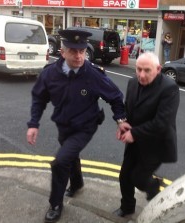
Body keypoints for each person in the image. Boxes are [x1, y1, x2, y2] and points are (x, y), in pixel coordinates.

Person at [26, 29, 126, 223]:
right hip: (63, 125)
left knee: (60, 161)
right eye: (73, 51)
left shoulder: (93, 74)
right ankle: (77, 183)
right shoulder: (50, 74)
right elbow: (39, 98)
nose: (79, 56)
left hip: (85, 126)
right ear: (62, 53)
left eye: (82, 51)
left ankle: (55, 204)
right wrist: (33, 124)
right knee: (70, 156)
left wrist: (120, 120)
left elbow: (115, 96)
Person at [113, 52, 180, 217]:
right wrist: (122, 123)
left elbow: (162, 123)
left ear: (158, 69)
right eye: (138, 69)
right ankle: (127, 207)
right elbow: (128, 108)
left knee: (139, 178)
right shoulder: (132, 82)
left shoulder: (169, 88)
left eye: (147, 70)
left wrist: (134, 133)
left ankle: (154, 188)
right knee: (124, 177)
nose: (141, 75)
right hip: (135, 141)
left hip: (156, 144)